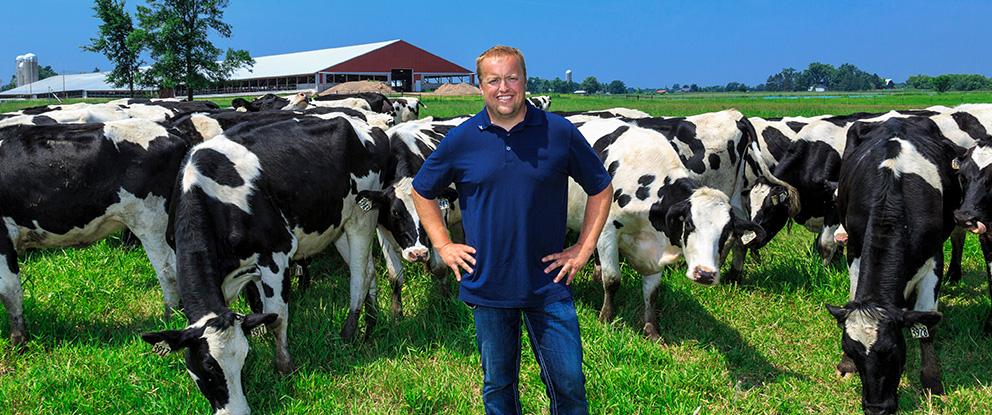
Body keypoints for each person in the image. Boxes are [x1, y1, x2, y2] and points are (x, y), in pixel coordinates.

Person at [411, 45, 613, 415]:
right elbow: (421, 191)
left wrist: (583, 248)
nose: (503, 88)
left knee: (569, 383)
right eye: (493, 80)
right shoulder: (462, 138)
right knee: (498, 386)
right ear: (480, 86)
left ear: (524, 80)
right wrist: (443, 244)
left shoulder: (559, 132)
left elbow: (601, 188)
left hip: (549, 282)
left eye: (512, 78)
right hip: (489, 282)